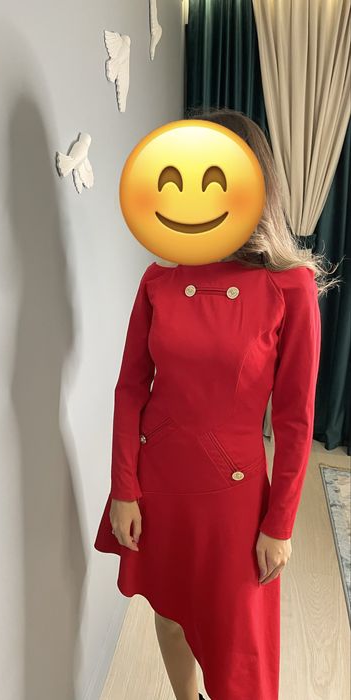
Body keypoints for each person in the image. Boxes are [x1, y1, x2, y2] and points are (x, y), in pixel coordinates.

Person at [93, 107, 341, 700]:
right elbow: (131, 389)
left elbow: (295, 419)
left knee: (239, 650)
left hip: (233, 496)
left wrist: (279, 524)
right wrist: (124, 488)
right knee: (170, 612)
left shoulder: (290, 287)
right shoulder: (158, 281)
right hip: (159, 480)